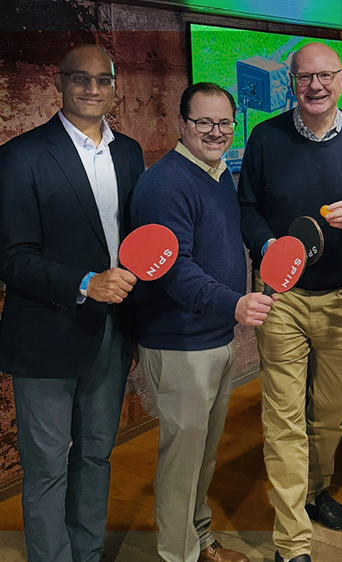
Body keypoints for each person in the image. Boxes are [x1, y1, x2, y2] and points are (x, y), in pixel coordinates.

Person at [237, 42, 342, 562]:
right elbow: (247, 207)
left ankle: (316, 491)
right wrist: (270, 247)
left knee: (332, 414)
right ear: (292, 83)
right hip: (282, 300)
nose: (314, 86)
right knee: (284, 419)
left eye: (325, 76)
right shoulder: (264, 138)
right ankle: (292, 540)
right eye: (304, 78)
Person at [0, 44, 144, 562]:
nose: (90, 88)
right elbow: (12, 258)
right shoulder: (20, 156)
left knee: (97, 457)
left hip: (110, 331)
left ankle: (86, 553)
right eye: (78, 79)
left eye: (101, 79)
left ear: (113, 86)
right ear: (57, 84)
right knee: (46, 468)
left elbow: (135, 242)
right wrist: (86, 281)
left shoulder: (128, 153)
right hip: (44, 334)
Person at [130, 83, 275, 562]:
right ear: (182, 124)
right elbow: (174, 269)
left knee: (203, 456)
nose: (216, 133)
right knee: (182, 461)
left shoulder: (217, 175)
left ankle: (200, 539)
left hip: (214, 337)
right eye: (204, 123)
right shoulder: (164, 184)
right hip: (179, 344)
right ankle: (179, 555)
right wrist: (234, 304)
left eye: (225, 124)